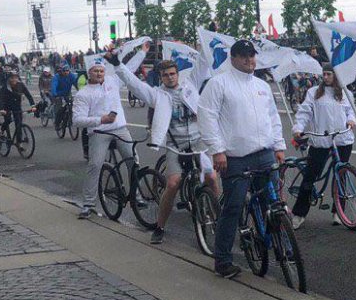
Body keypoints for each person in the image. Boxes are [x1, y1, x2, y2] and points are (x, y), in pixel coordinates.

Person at [197, 39, 287, 279]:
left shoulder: (261, 85)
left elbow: (273, 117)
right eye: (244, 56)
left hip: (265, 153)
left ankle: (282, 243)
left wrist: (279, 145)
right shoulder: (218, 84)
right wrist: (217, 150)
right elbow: (207, 118)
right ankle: (223, 260)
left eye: (252, 56)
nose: (250, 60)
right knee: (234, 207)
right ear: (233, 58)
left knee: (274, 202)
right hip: (235, 158)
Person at [110, 50, 220, 244]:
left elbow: (203, 64)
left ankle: (220, 214)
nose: (170, 77)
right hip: (175, 146)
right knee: (172, 184)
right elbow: (133, 84)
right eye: (166, 75)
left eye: (173, 74)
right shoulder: (157, 95)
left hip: (198, 142)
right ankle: (160, 226)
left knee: (211, 176)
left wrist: (207, 39)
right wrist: (117, 65)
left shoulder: (190, 86)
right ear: (160, 77)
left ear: (178, 74)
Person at [290, 63, 355, 229]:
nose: (325, 77)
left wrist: (351, 120)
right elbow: (304, 112)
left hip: (342, 139)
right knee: (311, 176)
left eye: (329, 74)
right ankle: (299, 213)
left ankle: (338, 211)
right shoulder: (314, 93)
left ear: (336, 75)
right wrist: (298, 128)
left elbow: (350, 111)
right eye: (324, 74)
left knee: (341, 175)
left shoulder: (345, 93)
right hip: (321, 140)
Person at [72, 61, 135, 218]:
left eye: (101, 71)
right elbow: (77, 120)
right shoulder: (83, 94)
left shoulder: (112, 82)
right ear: (89, 73)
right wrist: (101, 120)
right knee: (95, 165)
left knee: (133, 161)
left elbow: (129, 68)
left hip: (120, 129)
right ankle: (88, 204)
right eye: (95, 71)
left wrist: (142, 51)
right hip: (99, 131)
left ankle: (137, 195)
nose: (99, 73)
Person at [0, 69, 35, 144]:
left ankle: (19, 142)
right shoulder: (5, 87)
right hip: (7, 107)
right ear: (9, 78)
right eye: (12, 78)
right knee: (8, 120)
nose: (14, 79)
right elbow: (1, 99)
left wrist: (33, 105)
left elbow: (28, 95)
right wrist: (1, 109)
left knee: (19, 124)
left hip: (17, 106)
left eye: (16, 77)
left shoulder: (21, 85)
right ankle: (2, 132)